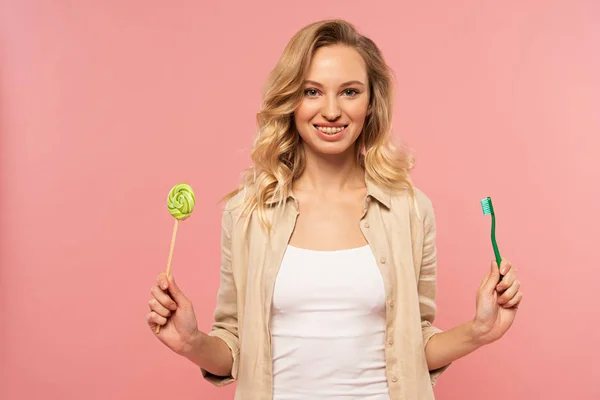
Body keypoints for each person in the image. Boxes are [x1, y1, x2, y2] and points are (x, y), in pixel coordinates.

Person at [146, 19, 523, 400]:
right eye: (312, 91)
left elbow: (415, 344)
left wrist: (480, 330)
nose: (331, 111)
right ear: (291, 100)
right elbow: (235, 351)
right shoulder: (248, 212)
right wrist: (190, 341)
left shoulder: (409, 209)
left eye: (349, 92)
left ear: (371, 102)